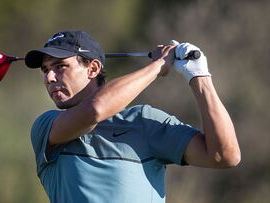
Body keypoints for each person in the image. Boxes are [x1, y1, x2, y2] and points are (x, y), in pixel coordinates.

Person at [25, 30, 241, 203]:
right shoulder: (46, 127)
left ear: (92, 69)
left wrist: (199, 76)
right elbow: (96, 109)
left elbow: (224, 156)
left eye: (60, 66)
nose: (49, 78)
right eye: (45, 70)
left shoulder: (144, 121)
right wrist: (158, 66)